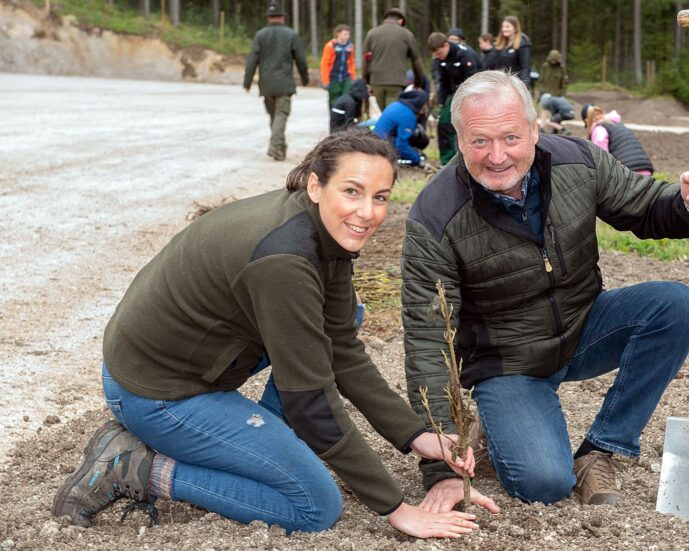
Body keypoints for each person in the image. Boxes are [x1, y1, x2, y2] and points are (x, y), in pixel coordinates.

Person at [52, 129, 481, 539]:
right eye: (352, 191)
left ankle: (262, 441)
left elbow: (342, 352)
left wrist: (416, 436)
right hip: (157, 394)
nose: (367, 212)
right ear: (316, 185)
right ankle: (136, 467)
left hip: (185, 364)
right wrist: (396, 508)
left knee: (347, 316)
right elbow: (310, 400)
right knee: (314, 506)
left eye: (380, 197)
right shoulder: (286, 261)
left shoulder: (322, 231)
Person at [400, 71, 689, 511]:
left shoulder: (578, 161)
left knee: (672, 305)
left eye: (511, 137)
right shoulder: (435, 216)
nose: (497, 156)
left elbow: (649, 208)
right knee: (545, 483)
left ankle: (600, 449)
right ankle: (497, 426)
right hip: (507, 362)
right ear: (458, 139)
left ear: (536, 130)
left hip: (583, 327)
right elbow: (427, 340)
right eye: (480, 141)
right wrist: (441, 464)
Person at [243, 0, 309, 162]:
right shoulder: (291, 34)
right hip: (284, 84)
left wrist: (247, 81)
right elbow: (301, 59)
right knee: (281, 114)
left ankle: (280, 149)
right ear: (282, 17)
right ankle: (275, 145)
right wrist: (305, 78)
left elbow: (252, 60)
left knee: (275, 116)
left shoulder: (260, 35)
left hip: (266, 85)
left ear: (268, 18)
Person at [427, 32, 480, 165]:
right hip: (454, 94)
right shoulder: (440, 60)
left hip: (473, 92)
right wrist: (440, 103)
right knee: (444, 123)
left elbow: (474, 79)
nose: (438, 57)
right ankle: (447, 161)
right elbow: (443, 83)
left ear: (446, 45)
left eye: (439, 53)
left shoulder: (465, 54)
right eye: (436, 55)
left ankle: (469, 158)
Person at [363, 7, 425, 110]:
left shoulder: (372, 33)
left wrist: (368, 82)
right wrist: (418, 82)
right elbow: (416, 61)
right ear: (400, 21)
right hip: (396, 82)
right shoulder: (406, 34)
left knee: (385, 115)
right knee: (392, 114)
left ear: (385, 19)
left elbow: (366, 60)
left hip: (376, 81)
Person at [582, 103, 655, 175]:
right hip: (645, 166)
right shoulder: (616, 124)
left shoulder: (599, 128)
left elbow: (601, 155)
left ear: (587, 121)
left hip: (628, 172)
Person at [373, 89, 429, 167]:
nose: (426, 107)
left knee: (421, 140)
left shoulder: (397, 104)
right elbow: (401, 145)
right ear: (419, 103)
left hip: (377, 140)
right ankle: (399, 159)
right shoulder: (408, 115)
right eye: (425, 104)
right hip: (384, 146)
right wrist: (418, 159)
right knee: (419, 155)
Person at [484, 16, 532, 86]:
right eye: (503, 27)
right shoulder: (500, 44)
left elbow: (525, 68)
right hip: (499, 83)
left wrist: (524, 85)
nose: (504, 29)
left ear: (515, 28)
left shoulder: (523, 44)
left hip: (515, 84)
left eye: (507, 27)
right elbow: (490, 63)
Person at [320, 24, 356, 108]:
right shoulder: (330, 46)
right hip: (333, 77)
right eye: (345, 34)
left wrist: (353, 78)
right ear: (338, 34)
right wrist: (325, 80)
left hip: (346, 77)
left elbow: (351, 63)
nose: (347, 36)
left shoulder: (350, 46)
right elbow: (325, 64)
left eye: (348, 34)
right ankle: (334, 119)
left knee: (346, 98)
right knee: (334, 100)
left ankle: (344, 119)